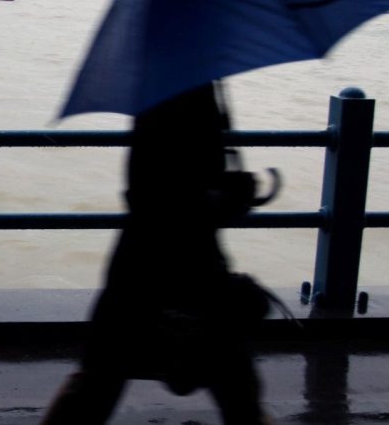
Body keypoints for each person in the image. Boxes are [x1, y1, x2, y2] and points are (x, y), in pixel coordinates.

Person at [40, 82, 274, 425]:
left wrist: (220, 196)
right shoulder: (188, 93)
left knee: (98, 381)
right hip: (184, 266)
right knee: (236, 386)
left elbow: (154, 192)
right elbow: (163, 197)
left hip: (139, 266)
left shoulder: (169, 91)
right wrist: (224, 199)